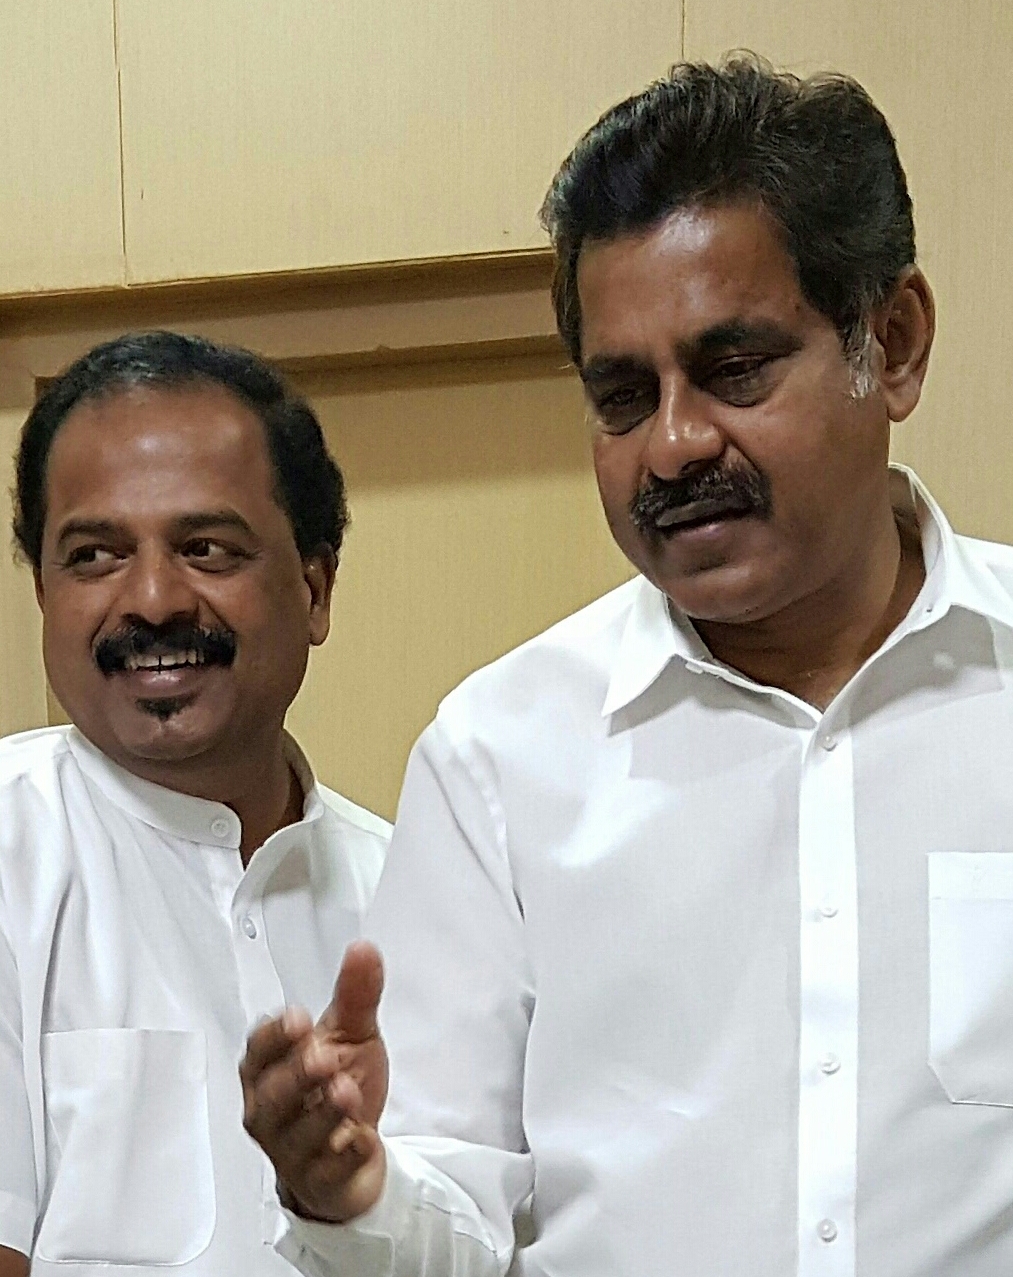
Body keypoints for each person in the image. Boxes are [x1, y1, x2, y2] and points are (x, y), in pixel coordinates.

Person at [243, 57, 1013, 1277]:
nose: (673, 444)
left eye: (734, 369)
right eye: (619, 396)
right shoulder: (502, 753)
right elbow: (444, 1210)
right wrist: (350, 1190)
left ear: (894, 343)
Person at [0, 332, 389, 1277]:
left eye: (205, 548)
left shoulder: (415, 884)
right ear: (44, 593)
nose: (152, 600)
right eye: (94, 555)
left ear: (314, 589)